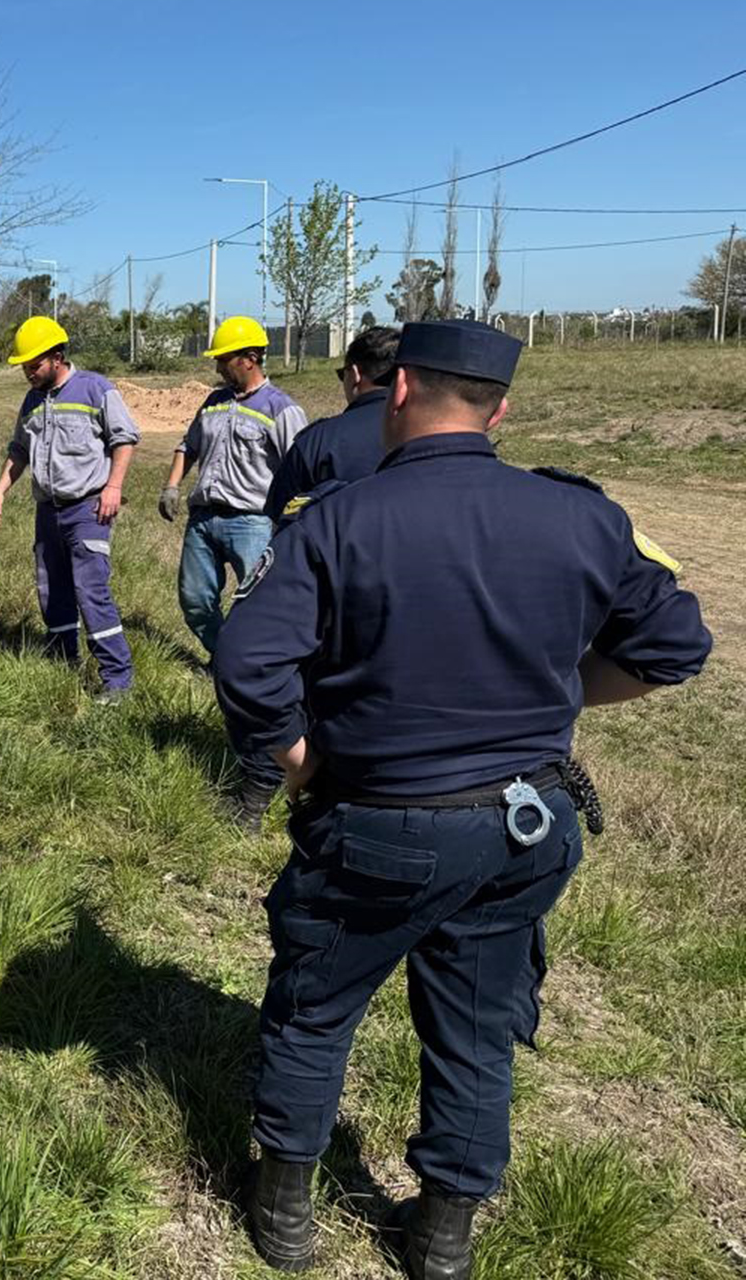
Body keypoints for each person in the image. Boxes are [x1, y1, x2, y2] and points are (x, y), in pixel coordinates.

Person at [213, 320, 710, 1277]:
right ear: (500, 408)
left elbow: (246, 659)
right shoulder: (585, 517)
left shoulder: (339, 517)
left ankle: (284, 1218)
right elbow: (674, 649)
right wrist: (563, 698)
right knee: (478, 1031)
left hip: (378, 827)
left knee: (315, 1012)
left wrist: (300, 758)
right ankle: (442, 1240)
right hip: (527, 825)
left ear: (395, 391)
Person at [160, 314, 309, 823]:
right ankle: (226, 662)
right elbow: (188, 445)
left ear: (249, 357)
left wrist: (291, 524)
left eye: (225, 358)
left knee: (256, 615)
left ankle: (250, 677)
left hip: (252, 523)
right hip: (205, 520)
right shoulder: (214, 401)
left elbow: (301, 469)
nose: (220, 366)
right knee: (195, 600)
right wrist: (174, 484)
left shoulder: (282, 409)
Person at [0, 315, 141, 700]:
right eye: (24, 366)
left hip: (88, 509)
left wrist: (114, 486)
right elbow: (19, 449)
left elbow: (125, 439)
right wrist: (0, 490)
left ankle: (117, 679)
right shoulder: (33, 400)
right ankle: (63, 661)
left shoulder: (95, 389)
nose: (28, 372)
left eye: (34, 364)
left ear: (57, 356)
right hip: (48, 512)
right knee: (52, 590)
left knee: (90, 590)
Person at [265, 325, 401, 524]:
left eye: (341, 374)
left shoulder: (317, 441)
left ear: (354, 375)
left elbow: (282, 513)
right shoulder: (437, 434)